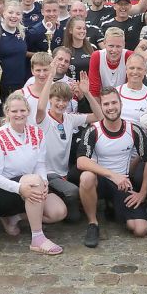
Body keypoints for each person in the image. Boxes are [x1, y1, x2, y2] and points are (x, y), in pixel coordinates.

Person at [0, 93, 67, 254]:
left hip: (28, 187)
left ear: (28, 111)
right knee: (34, 180)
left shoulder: (36, 133)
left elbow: (41, 163)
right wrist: (19, 188)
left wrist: (44, 181)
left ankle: (15, 217)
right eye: (14, 111)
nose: (19, 114)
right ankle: (37, 239)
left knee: (58, 212)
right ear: (7, 113)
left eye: (22, 110)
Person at [77, 88, 147, 247]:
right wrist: (112, 175)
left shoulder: (134, 129)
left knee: (140, 229)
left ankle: (112, 206)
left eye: (114, 102)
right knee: (86, 177)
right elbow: (81, 162)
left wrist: (142, 193)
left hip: (122, 183)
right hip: (100, 180)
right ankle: (93, 223)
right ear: (101, 107)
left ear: (121, 104)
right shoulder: (93, 130)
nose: (111, 107)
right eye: (106, 104)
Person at [35, 65, 101, 222]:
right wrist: (50, 77)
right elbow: (40, 107)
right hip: (47, 174)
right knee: (73, 192)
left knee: (74, 218)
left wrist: (87, 93)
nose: (61, 104)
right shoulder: (43, 120)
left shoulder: (70, 118)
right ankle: (38, 204)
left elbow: (99, 116)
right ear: (51, 99)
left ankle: (62, 199)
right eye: (57, 99)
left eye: (65, 100)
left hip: (64, 173)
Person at [0, 1, 31, 99]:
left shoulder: (22, 32)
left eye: (18, 14)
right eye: (10, 12)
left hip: (19, 83)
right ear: (4, 13)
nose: (14, 16)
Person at [88, 27, 133, 96]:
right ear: (104, 43)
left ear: (124, 45)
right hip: (103, 100)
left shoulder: (129, 56)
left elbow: (133, 87)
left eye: (118, 46)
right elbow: (94, 90)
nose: (114, 50)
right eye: (111, 46)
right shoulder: (97, 56)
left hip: (125, 98)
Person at [115, 54, 147, 123]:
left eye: (139, 68)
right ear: (126, 70)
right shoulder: (115, 92)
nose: (135, 72)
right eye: (132, 68)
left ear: (145, 71)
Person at [62, 17, 95, 82]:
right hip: (70, 88)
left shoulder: (92, 48)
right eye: (79, 28)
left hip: (88, 88)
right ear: (70, 30)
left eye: (84, 29)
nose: (82, 31)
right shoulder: (64, 50)